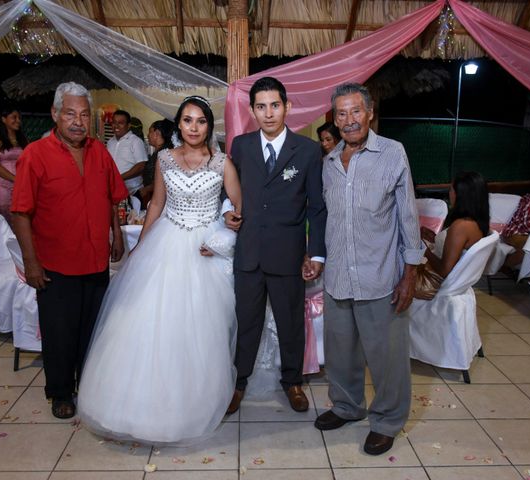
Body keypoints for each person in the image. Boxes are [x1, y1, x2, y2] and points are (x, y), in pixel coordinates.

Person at [77, 96, 242, 444]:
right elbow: (155, 204)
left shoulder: (222, 162)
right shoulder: (165, 159)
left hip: (204, 250)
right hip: (166, 243)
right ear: (178, 125)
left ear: (209, 126)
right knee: (149, 324)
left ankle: (191, 404)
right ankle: (139, 407)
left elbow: (238, 208)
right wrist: (141, 245)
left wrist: (222, 234)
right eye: (187, 120)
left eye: (200, 121)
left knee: (198, 330)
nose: (193, 127)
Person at [314, 83, 423, 456]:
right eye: (341, 114)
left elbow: (408, 216)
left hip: (381, 276)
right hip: (339, 276)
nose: (349, 121)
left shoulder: (393, 153)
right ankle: (346, 406)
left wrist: (409, 273)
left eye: (355, 111)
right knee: (341, 351)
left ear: (370, 112)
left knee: (387, 356)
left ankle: (388, 420)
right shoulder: (328, 163)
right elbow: (326, 218)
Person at [11, 82, 128, 420]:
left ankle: (88, 385)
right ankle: (60, 392)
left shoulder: (100, 151)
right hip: (55, 264)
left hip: (94, 259)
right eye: (70, 114)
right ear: (55, 114)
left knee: (92, 330)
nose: (78, 121)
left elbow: (110, 196)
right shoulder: (35, 154)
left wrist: (116, 234)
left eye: (84, 114)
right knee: (60, 332)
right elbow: (20, 213)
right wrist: (31, 263)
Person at [224, 76, 326, 414]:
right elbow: (229, 192)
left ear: (287, 107)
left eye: (275, 105)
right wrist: (228, 212)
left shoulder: (308, 151)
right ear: (252, 111)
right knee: (246, 322)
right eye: (261, 107)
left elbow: (316, 207)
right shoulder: (240, 146)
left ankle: (293, 382)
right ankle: (237, 384)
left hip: (288, 254)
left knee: (291, 324)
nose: (268, 113)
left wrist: (316, 252)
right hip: (249, 253)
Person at [420, 172, 490, 286]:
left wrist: (423, 249)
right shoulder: (477, 221)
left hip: (439, 283)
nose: (449, 193)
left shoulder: (461, 226)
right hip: (459, 282)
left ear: (461, 195)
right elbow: (458, 249)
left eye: (451, 190)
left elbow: (444, 271)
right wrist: (435, 238)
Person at [0, 105, 28, 225]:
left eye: (19, 117)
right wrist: (16, 179)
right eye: (14, 117)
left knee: (21, 217)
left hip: (21, 185)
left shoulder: (22, 138)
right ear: (3, 119)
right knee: (5, 219)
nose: (18, 120)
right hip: (2, 187)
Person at [106, 109, 147, 200]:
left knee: (132, 213)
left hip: (133, 190)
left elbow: (141, 166)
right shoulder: (110, 142)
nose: (116, 126)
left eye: (120, 123)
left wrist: (119, 178)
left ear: (128, 126)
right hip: (114, 189)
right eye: (114, 122)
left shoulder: (135, 141)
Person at [139, 118, 174, 205]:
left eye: (150, 131)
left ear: (157, 133)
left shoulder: (164, 154)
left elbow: (163, 179)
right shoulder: (158, 152)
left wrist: (146, 189)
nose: (148, 135)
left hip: (158, 199)